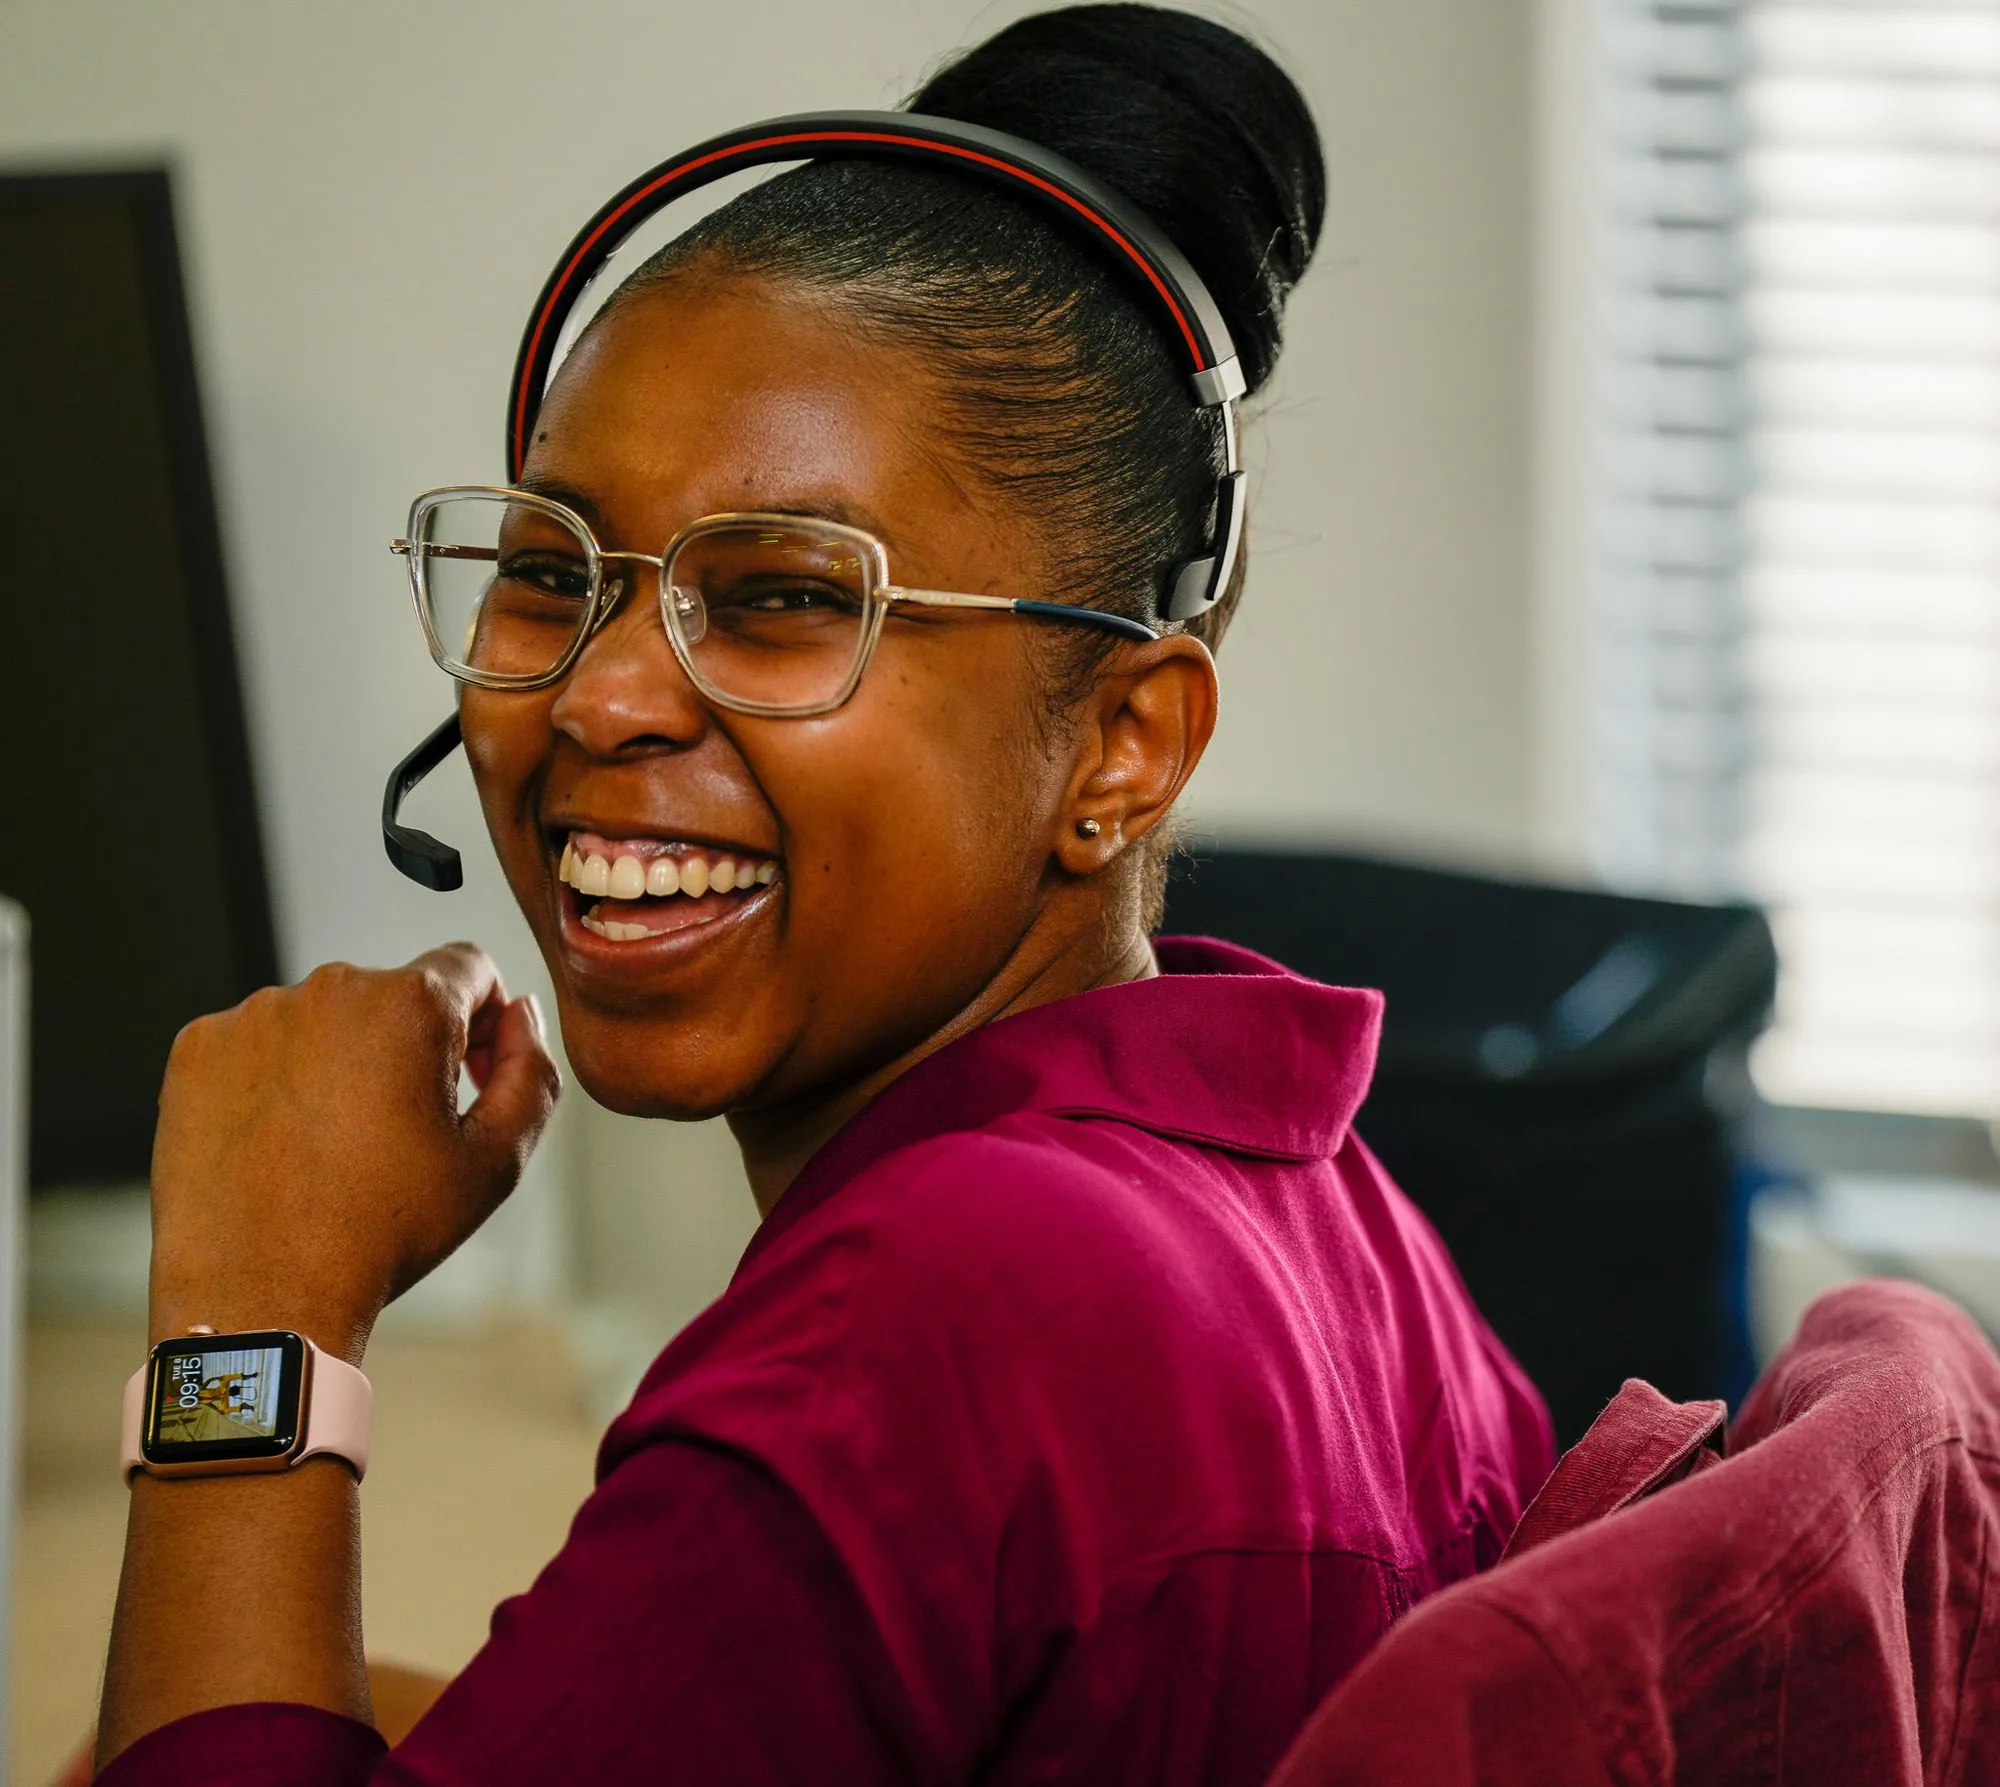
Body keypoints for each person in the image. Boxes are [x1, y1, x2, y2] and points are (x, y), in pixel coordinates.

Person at [92, 8, 1554, 1784]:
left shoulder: (943, 1317)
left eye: (783, 595)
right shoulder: (1321, 1209)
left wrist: (252, 1315)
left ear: (1124, 744)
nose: (600, 694)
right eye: (553, 571)